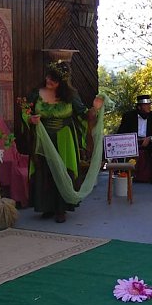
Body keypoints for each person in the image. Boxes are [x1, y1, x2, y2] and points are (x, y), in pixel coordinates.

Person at [25, 61, 104, 223]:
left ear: (62, 83)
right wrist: (29, 119)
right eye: (48, 76)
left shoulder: (70, 96)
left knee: (63, 172)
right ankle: (46, 206)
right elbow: (25, 110)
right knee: (44, 171)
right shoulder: (36, 93)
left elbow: (83, 115)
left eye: (53, 79)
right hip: (42, 138)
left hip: (64, 140)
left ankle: (61, 209)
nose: (49, 80)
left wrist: (94, 109)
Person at [117, 94, 152, 184]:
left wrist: (150, 138)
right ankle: (123, 172)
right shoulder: (128, 116)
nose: (149, 107)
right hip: (132, 142)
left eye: (149, 104)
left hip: (148, 142)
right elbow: (121, 132)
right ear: (139, 107)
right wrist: (131, 140)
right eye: (146, 105)